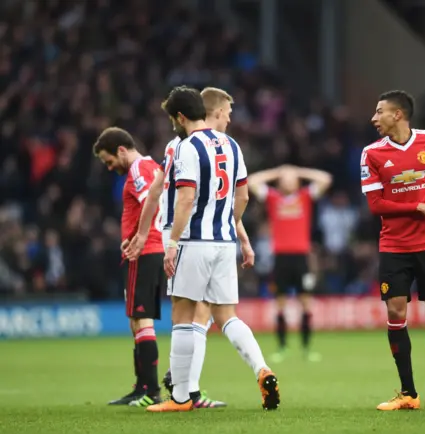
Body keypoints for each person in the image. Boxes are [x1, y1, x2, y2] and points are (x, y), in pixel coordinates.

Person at [146, 86, 279, 412]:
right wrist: (231, 228)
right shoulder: (232, 144)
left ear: (180, 117)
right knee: (226, 316)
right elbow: (244, 197)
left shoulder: (186, 146)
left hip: (193, 241)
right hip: (223, 242)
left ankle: (179, 398)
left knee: (183, 312)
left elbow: (187, 198)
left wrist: (173, 243)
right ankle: (262, 368)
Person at [126, 87, 249, 408]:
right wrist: (238, 229)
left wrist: (149, 235)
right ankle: (190, 389)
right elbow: (235, 198)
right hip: (204, 236)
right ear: (213, 113)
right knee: (206, 314)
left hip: (185, 237)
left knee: (192, 314)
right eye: (227, 113)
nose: (229, 118)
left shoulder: (179, 145)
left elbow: (159, 193)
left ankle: (185, 390)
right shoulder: (223, 146)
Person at [360, 90, 425, 411]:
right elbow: (376, 205)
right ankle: (408, 393)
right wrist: (419, 206)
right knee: (396, 312)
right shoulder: (372, 154)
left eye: (379, 112)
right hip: (394, 246)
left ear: (398, 115)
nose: (373, 118)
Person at [93, 127, 165, 407]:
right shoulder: (150, 167)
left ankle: (151, 390)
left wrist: (140, 237)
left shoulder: (138, 169)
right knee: (137, 322)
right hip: (149, 250)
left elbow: (151, 200)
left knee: (142, 320)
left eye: (108, 160)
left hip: (144, 252)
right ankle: (143, 386)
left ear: (121, 150)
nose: (110, 167)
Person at [247, 165, 332, 362]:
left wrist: (298, 171)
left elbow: (325, 178)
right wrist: (278, 171)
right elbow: (252, 181)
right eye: (284, 178)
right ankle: (282, 347)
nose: (288, 180)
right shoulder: (273, 197)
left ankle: (306, 348)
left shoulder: (305, 196)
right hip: (281, 258)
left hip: (301, 258)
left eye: (291, 178)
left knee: (305, 303)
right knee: (280, 304)